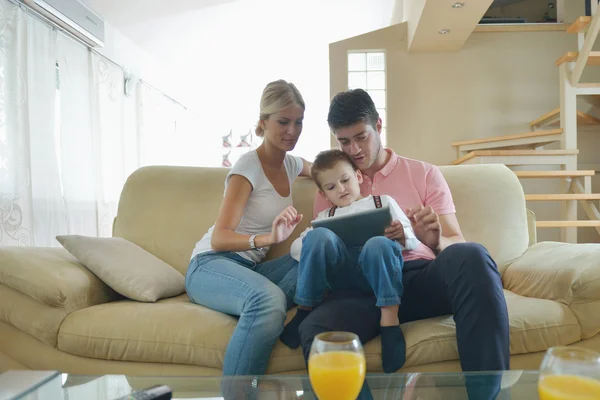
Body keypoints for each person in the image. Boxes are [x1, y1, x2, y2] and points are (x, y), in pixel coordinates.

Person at [298, 89, 510, 378]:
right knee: (315, 330)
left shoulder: (424, 173)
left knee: (472, 255)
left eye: (362, 136)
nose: (355, 150)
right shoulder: (331, 186)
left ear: (379, 126)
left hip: (418, 279)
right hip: (362, 291)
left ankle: (487, 393)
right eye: (344, 141)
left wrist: (433, 241)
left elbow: (456, 243)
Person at [185, 79, 311, 379]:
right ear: (263, 122)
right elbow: (220, 237)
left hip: (250, 272)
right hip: (210, 265)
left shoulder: (291, 164)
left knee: (316, 256)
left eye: (298, 122)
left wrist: (357, 171)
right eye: (283, 122)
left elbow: (323, 168)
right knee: (267, 300)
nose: (292, 131)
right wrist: (269, 238)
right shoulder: (247, 167)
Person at [280, 149, 420, 371]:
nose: (341, 189)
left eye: (345, 180)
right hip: (342, 278)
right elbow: (297, 248)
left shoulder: (382, 202)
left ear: (358, 176)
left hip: (377, 271)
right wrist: (321, 241)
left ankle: (390, 321)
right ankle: (304, 309)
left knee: (378, 243)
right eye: (331, 187)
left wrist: (402, 235)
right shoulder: (326, 217)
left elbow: (412, 239)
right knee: (318, 236)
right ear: (324, 195)